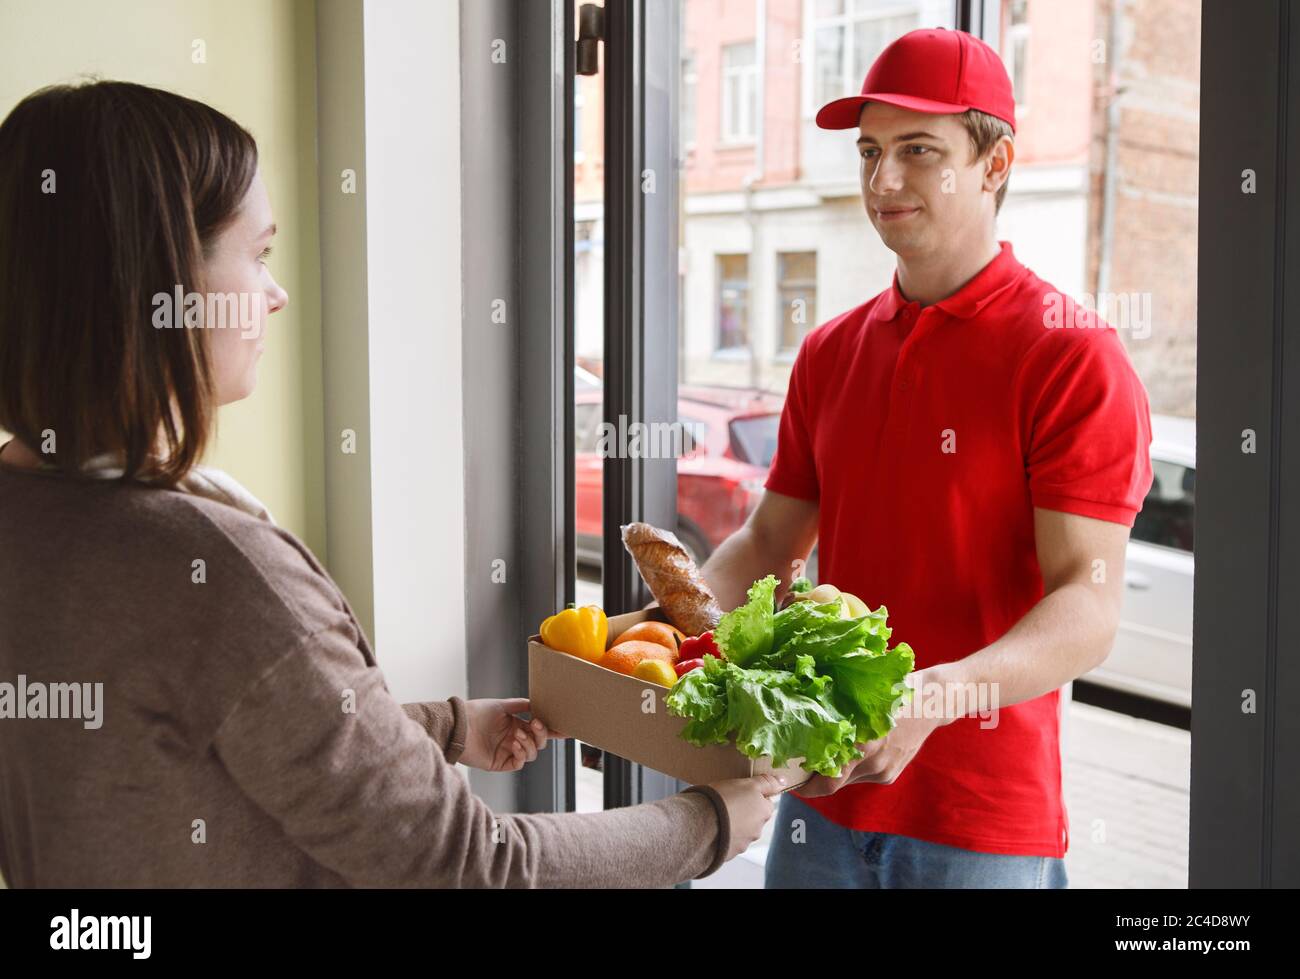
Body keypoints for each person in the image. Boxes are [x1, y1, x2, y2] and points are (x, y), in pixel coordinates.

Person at [0, 80, 783, 888]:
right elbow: (467, 864)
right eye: (258, 254)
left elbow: (192, 745)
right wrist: (710, 822)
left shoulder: (25, 505)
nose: (276, 296)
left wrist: (445, 728)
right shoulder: (216, 571)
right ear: (158, 279)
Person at [695, 28, 1154, 888]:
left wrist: (933, 697)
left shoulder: (1071, 355)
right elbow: (767, 544)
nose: (882, 181)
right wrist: (656, 636)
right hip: (816, 797)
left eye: (917, 151)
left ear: (995, 162)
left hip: (980, 827)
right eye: (870, 150)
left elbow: (1087, 607)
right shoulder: (830, 351)